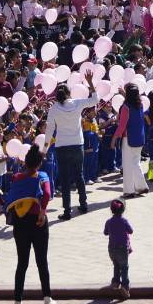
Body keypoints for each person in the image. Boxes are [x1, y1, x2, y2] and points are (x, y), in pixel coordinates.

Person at [6, 144, 53, 304]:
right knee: (42, 261)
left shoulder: (16, 177)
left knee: (22, 263)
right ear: (39, 163)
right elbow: (47, 194)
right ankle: (47, 299)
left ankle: (17, 302)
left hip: (20, 222)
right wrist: (42, 211)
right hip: (38, 222)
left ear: (25, 162)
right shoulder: (42, 176)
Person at [43, 84, 98, 219]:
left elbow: (49, 129)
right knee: (79, 175)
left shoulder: (54, 108)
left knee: (65, 179)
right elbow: (94, 100)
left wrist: (44, 149)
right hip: (77, 145)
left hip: (62, 146)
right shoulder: (77, 103)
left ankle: (67, 211)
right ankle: (83, 205)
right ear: (69, 93)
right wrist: (90, 83)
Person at [112, 83, 149, 197]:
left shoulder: (125, 107)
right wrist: (125, 93)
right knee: (135, 163)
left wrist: (114, 138)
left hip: (128, 139)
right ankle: (141, 186)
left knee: (128, 165)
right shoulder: (140, 105)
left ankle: (129, 191)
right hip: (139, 138)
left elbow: (122, 126)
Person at [104, 197, 133, 299]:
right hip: (122, 249)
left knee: (116, 265)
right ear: (123, 210)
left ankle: (115, 282)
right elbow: (131, 231)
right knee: (124, 267)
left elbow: (105, 233)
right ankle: (125, 287)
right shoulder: (124, 221)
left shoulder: (109, 221)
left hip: (112, 248)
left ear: (111, 210)